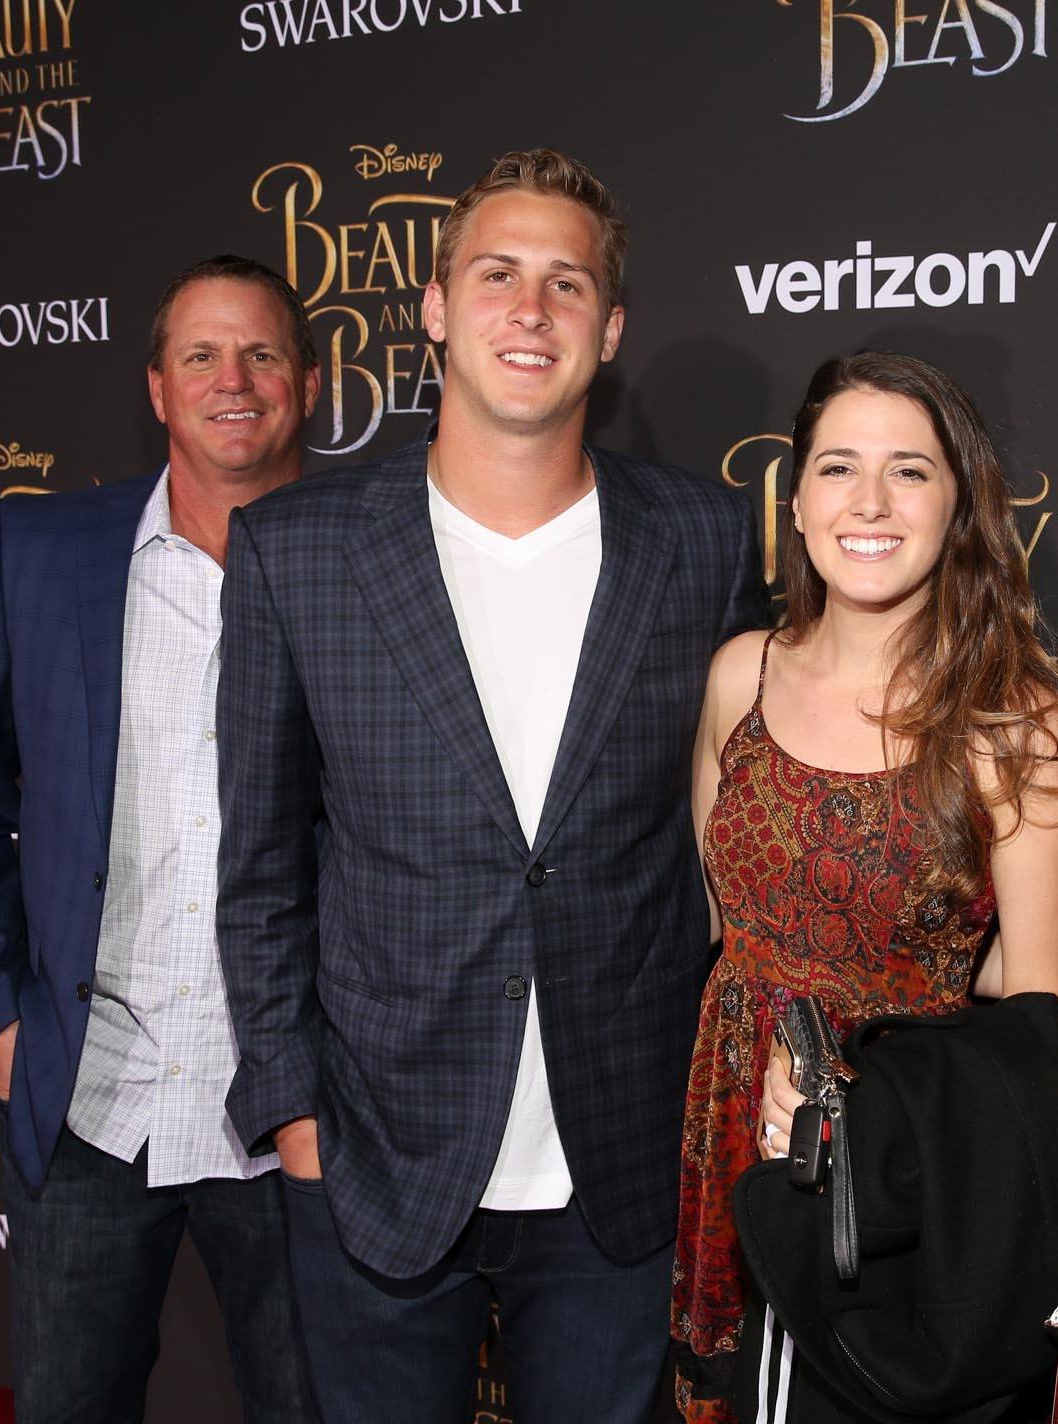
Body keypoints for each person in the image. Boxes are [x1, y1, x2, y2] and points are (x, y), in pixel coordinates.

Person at [213, 148, 767, 1424]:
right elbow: (260, 864)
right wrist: (294, 1117)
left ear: (609, 328)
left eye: (567, 283)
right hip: (374, 1158)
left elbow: (732, 831)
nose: (531, 308)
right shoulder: (297, 548)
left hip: (618, 1160)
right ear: (433, 306)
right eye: (497, 274)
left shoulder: (699, 537)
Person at [0, 255, 322, 1422]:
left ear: (310, 383)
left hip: (293, 1119)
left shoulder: (372, 565)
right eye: (201, 354)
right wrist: (2, 1020)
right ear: (155, 386)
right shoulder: (43, 551)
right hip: (92, 1103)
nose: (231, 380)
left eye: (261, 353)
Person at [672, 351, 1058, 1422]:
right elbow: (718, 920)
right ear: (797, 501)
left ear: (958, 505)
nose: (869, 501)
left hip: (901, 1162)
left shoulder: (1013, 717)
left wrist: (864, 1087)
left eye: (908, 470)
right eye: (837, 467)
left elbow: (1037, 1015)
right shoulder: (740, 674)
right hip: (727, 1125)